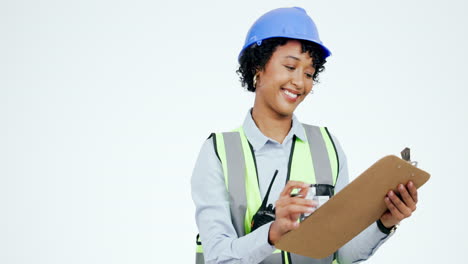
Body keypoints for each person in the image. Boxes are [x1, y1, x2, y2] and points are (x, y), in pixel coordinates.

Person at [191, 7, 418, 264]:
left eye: (309, 73)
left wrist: (384, 222)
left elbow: (342, 254)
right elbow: (217, 257)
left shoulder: (327, 145)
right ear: (257, 65)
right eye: (290, 66)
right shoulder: (218, 152)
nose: (300, 82)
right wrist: (273, 233)